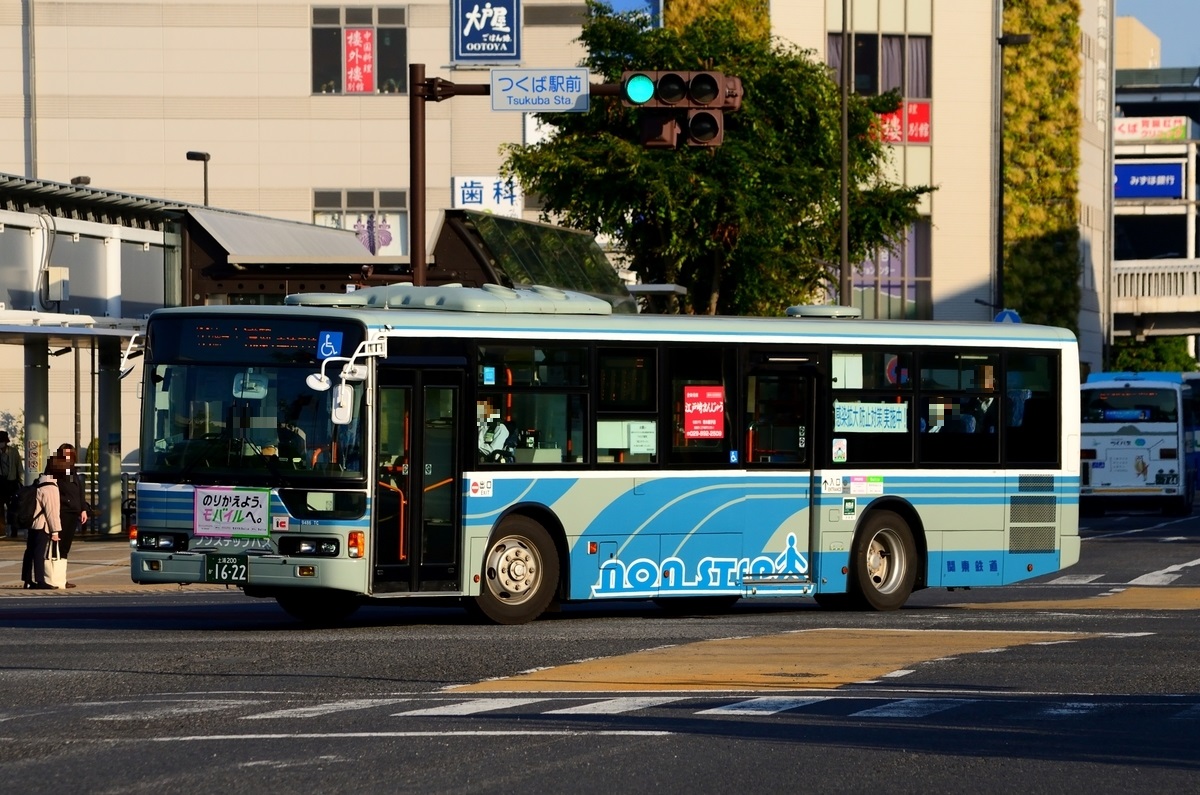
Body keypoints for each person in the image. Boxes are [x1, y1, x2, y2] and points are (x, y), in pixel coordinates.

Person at [20, 459, 63, 590]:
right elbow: (52, 512)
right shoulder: (51, 488)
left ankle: (27, 580)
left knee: (30, 551)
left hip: (33, 523)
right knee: (39, 552)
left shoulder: (39, 483)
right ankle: (40, 580)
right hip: (42, 525)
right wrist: (55, 531)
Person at [54, 444, 91, 580]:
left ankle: (61, 577)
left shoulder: (72, 472)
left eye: (70, 455)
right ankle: (56, 576)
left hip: (73, 512)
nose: (68, 458)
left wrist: (83, 509)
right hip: (62, 511)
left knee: (66, 545)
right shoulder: (56, 472)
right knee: (59, 545)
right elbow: (59, 491)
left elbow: (78, 491)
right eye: (65, 455)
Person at [0, 430, 23, 537]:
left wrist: (21, 481)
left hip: (12, 483)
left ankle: (14, 530)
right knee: (0, 509)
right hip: (0, 483)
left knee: (13, 508)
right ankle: (1, 530)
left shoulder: (13, 452)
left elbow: (19, 467)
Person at [477, 398, 511, 463]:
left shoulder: (500, 428)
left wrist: (477, 446)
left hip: (489, 463)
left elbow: (493, 452)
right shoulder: (481, 426)